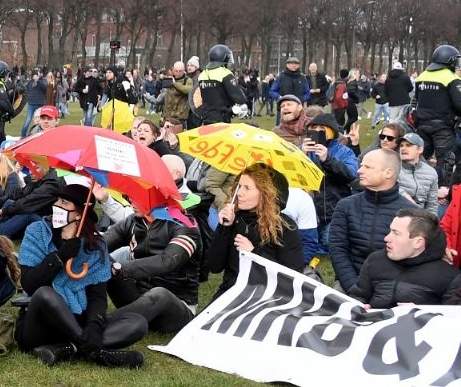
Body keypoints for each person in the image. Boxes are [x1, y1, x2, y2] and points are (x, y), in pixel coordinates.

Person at [15, 184, 145, 368]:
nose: (56, 206)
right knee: (45, 293)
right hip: (39, 324)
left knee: (137, 322)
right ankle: (96, 352)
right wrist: (59, 257)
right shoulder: (36, 232)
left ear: (78, 214)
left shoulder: (96, 246)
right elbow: (29, 284)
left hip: (78, 320)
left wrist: (94, 325)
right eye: (58, 200)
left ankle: (69, 348)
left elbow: (98, 295)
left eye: (64, 203)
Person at [104, 201, 202, 337]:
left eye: (138, 196)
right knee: (100, 258)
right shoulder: (133, 221)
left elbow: (167, 261)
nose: (132, 201)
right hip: (137, 298)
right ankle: (79, 313)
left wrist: (122, 268)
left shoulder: (185, 223)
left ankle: (100, 323)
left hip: (175, 306)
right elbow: (99, 245)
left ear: (156, 196)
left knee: (160, 294)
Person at [207, 164, 303, 300]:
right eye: (239, 186)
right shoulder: (234, 219)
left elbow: (291, 277)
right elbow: (214, 266)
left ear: (265, 193)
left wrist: (254, 253)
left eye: (247, 188)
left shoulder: (284, 227)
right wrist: (224, 228)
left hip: (268, 298)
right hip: (232, 292)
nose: (239, 193)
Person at [329, 148, 417, 294]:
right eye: (361, 165)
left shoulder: (411, 212)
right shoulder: (346, 205)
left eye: (367, 167)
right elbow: (337, 249)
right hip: (349, 283)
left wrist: (387, 293)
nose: (359, 171)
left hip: (394, 288)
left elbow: (414, 258)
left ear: (388, 172)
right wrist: (354, 289)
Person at [349, 209, 461, 307]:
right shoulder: (375, 260)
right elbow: (357, 295)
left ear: (418, 242)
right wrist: (359, 307)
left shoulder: (450, 277)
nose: (386, 238)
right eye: (390, 231)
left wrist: (421, 312)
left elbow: (451, 319)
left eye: (396, 233)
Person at [302, 113, 358, 246]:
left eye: (321, 128)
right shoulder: (302, 150)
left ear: (332, 131)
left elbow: (350, 174)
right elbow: (291, 176)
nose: (316, 131)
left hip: (334, 212)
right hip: (308, 211)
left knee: (328, 242)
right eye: (313, 127)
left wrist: (327, 160)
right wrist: (301, 155)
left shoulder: (344, 152)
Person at [413, 45, 461, 186]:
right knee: (445, 161)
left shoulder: (422, 76)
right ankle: (440, 191)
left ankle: (416, 185)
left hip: (422, 125)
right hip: (443, 128)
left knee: (419, 158)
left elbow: (416, 100)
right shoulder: (451, 78)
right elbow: (459, 105)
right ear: (450, 61)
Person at [194, 44, 247, 125]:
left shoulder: (202, 75)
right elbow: (238, 97)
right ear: (223, 57)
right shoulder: (225, 73)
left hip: (206, 117)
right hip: (222, 117)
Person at [396, 133, 439, 214]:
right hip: (395, 215)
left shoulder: (431, 172)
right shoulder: (392, 167)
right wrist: (404, 195)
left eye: (408, 145)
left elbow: (432, 205)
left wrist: (431, 224)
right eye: (401, 146)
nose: (403, 148)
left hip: (419, 218)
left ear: (420, 150)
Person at [270, 56, 310, 125]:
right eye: (292, 63)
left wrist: (302, 99)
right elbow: (272, 91)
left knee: (299, 129)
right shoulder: (281, 77)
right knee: (281, 130)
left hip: (298, 109)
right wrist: (279, 97)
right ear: (287, 65)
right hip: (284, 109)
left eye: (296, 64)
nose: (294, 65)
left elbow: (307, 93)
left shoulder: (302, 78)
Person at [20, 69, 47, 137]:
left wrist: (38, 81)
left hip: (40, 103)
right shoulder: (30, 82)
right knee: (28, 120)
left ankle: (41, 133)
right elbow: (26, 90)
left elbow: (45, 88)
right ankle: (23, 135)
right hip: (32, 103)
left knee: (41, 120)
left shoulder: (42, 81)